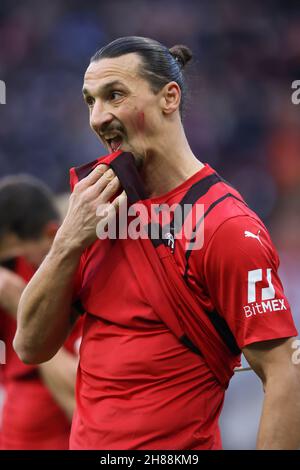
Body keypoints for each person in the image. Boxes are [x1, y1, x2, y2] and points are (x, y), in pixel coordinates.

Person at [14, 37, 299, 450]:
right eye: (89, 101)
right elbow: (30, 345)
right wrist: (67, 242)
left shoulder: (226, 227)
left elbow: (284, 373)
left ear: (169, 98)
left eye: (114, 95)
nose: (98, 117)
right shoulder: (97, 208)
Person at [0, 175, 81, 449]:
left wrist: (24, 311)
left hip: (63, 436)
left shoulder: (83, 277)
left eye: (14, 256)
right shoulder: (17, 271)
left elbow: (80, 393)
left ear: (50, 234)